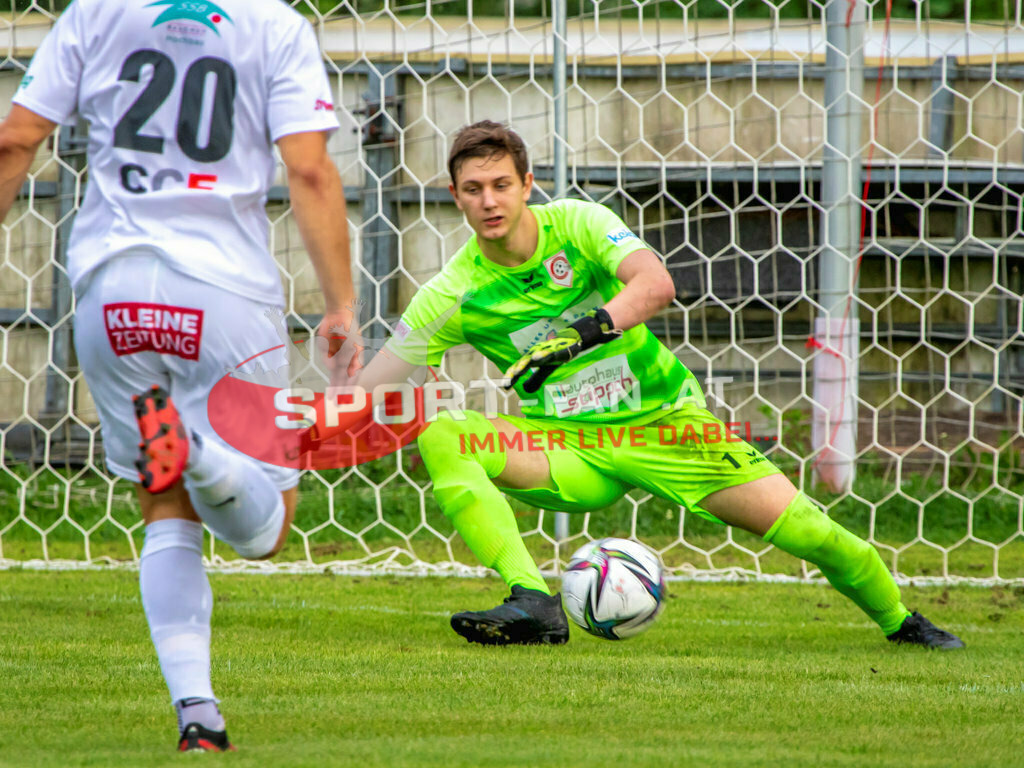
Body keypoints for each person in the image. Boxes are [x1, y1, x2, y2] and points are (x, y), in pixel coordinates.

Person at [361, 120, 963, 650]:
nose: (489, 201)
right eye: (473, 189)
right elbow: (374, 383)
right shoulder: (453, 291)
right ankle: (532, 601)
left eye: (500, 185)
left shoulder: (577, 223)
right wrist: (305, 413)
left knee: (811, 531)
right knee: (445, 433)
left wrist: (579, 334)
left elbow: (655, 285)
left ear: (526, 184)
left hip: (667, 426)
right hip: (563, 446)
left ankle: (900, 621)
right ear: (455, 198)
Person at [0, 0, 354, 751]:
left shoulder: (95, 11)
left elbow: (15, 141)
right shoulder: (274, 22)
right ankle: (198, 450)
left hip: (110, 289)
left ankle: (198, 714)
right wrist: (341, 304)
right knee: (268, 532)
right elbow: (310, 171)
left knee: (163, 507)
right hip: (223, 296)